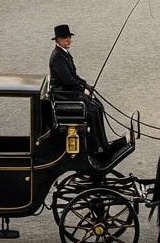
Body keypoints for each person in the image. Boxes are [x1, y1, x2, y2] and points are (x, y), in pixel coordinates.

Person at [48, 24, 117, 162]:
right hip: (64, 94)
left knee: (98, 106)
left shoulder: (64, 54)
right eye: (64, 38)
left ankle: (102, 143)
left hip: (68, 90)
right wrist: (82, 90)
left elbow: (73, 76)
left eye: (69, 37)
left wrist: (86, 85)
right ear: (57, 40)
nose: (68, 40)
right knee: (91, 109)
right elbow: (67, 80)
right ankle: (97, 146)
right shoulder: (58, 57)